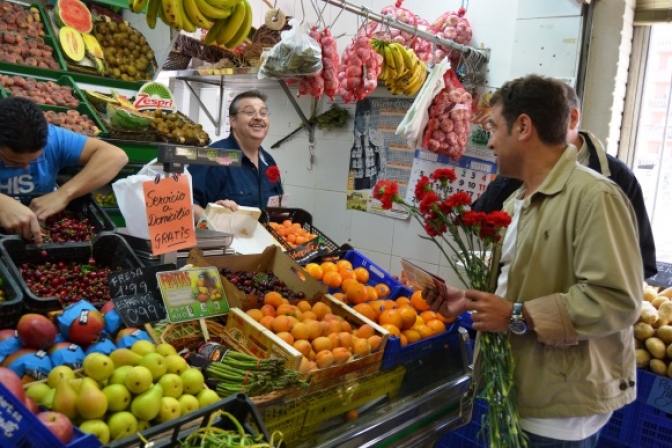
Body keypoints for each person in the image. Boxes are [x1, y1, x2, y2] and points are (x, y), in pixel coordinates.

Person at [431, 75, 643, 447]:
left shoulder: (595, 197)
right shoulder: (519, 201)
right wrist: (467, 299)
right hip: (519, 391)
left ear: (524, 126)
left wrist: (516, 315)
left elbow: (617, 301)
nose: (491, 141)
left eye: (495, 127)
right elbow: (523, 279)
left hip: (559, 412)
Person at [472, 84, 657, 279]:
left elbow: (641, 265)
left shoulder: (611, 181)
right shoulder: (520, 168)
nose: (527, 135)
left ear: (572, 119)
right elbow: (480, 219)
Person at [0, 97, 128, 246]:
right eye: (15, 162)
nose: (26, 167)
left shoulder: (54, 139)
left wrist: (64, 194)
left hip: (39, 233)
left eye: (34, 159)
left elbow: (116, 156)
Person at [188, 90, 282, 223]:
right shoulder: (213, 156)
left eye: (263, 113)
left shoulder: (268, 161)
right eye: (249, 112)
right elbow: (186, 204)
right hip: (224, 242)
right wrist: (212, 217)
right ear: (233, 121)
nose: (258, 117)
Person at [349, 98, 385, 190]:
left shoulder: (376, 136)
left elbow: (382, 166)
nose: (365, 118)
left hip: (371, 182)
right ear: (355, 116)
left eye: (367, 114)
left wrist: (378, 186)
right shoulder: (348, 136)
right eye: (361, 114)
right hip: (352, 181)